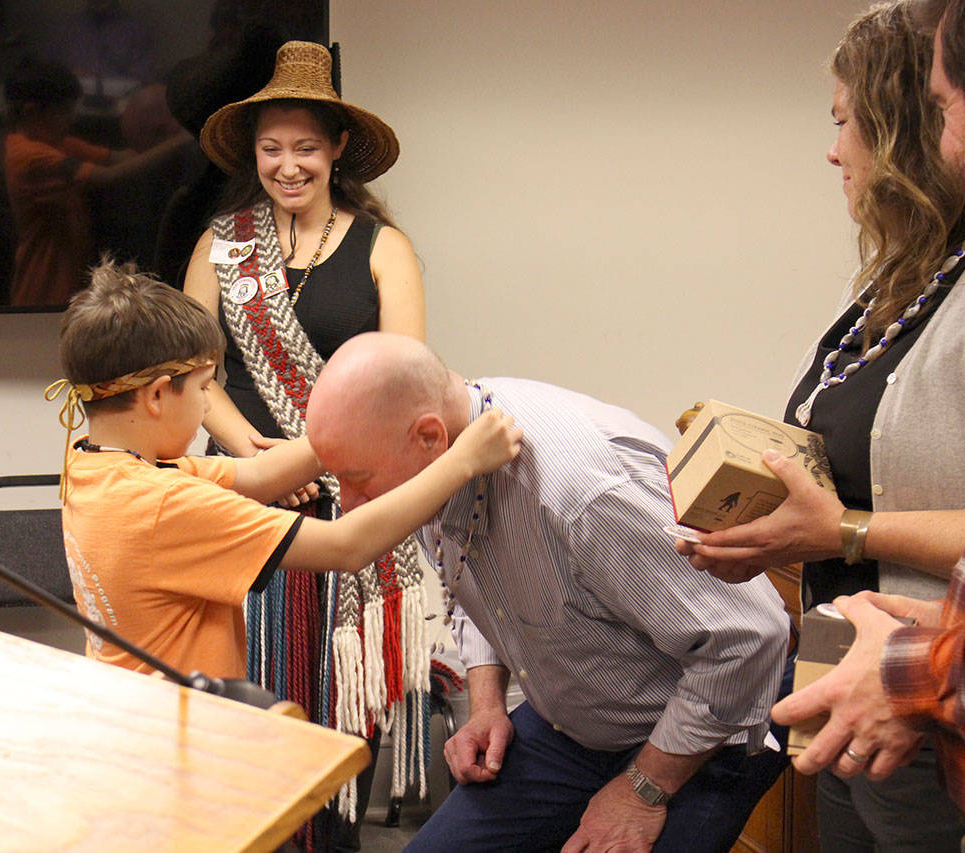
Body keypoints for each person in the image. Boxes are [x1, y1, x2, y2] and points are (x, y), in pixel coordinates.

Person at [675, 2, 965, 846]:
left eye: (843, 123)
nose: (832, 150)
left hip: (944, 708)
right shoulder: (881, 285)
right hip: (846, 682)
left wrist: (846, 530)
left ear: (899, 127)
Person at [304, 332, 792, 853]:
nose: (351, 506)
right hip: (577, 721)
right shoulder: (441, 455)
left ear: (429, 438)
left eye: (357, 480)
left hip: (706, 722)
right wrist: (486, 704)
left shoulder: (583, 494)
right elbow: (478, 579)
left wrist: (641, 791)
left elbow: (753, 636)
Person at [53, 260, 519, 684]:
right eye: (202, 389)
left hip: (126, 712)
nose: (204, 406)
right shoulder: (162, 506)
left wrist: (355, 423)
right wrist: (463, 462)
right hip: (183, 737)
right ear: (156, 397)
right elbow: (346, 545)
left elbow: (260, 477)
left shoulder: (94, 464)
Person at [181, 39, 426, 836]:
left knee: (332, 717)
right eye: (272, 149)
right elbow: (192, 372)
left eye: (306, 149)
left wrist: (306, 459)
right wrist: (253, 454)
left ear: (338, 151)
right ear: (254, 154)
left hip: (346, 501)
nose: (288, 166)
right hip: (241, 501)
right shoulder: (223, 243)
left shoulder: (384, 248)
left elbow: (403, 383)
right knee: (245, 715)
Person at [3, 56, 186, 306]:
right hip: (44, 286)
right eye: (64, 112)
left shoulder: (54, 143)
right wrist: (179, 141)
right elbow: (108, 176)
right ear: (31, 112)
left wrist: (162, 143)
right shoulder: (30, 156)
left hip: (69, 278)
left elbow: (119, 158)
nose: (71, 120)